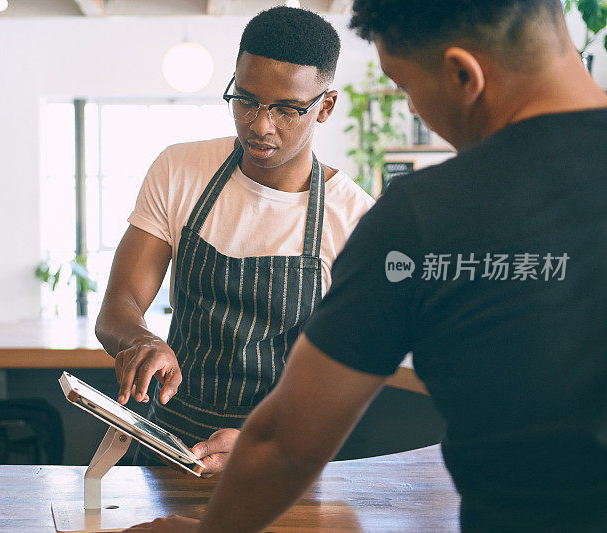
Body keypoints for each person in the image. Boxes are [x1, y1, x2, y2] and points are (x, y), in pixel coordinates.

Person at [122, 0, 607, 530]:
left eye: (405, 87)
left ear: (462, 75)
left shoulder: (424, 216)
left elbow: (288, 443)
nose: (416, 110)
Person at [95, 6, 373, 471]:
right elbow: (117, 306)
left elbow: (349, 380)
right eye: (245, 100)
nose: (259, 125)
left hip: (280, 455)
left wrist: (266, 440)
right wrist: (139, 340)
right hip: (168, 442)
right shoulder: (179, 170)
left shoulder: (355, 219)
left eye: (287, 109)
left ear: (324, 107)